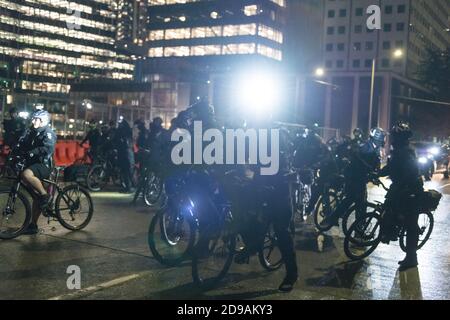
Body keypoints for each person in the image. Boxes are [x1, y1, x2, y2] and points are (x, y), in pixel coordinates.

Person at [377, 122, 423, 271]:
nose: (393, 140)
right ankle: (390, 231)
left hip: (411, 191)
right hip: (399, 188)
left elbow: (412, 173)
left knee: (410, 224)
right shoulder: (398, 152)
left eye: (396, 137)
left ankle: (411, 257)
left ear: (402, 139)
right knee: (388, 208)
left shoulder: (407, 152)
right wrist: (377, 173)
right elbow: (391, 167)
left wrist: (404, 186)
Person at [324, 127, 386, 226]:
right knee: (354, 200)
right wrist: (370, 171)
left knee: (359, 202)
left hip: (361, 178)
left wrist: (374, 175)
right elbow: (359, 162)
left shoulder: (375, 148)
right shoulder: (366, 147)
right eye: (381, 139)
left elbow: (375, 165)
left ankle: (356, 226)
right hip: (353, 177)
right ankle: (336, 219)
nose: (382, 141)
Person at [11, 110, 56, 235]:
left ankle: (44, 195)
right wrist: (15, 151)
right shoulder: (31, 132)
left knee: (26, 174)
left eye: (36, 119)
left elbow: (47, 148)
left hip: (44, 165)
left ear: (43, 121)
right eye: (33, 119)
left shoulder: (48, 133)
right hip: (33, 164)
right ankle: (33, 225)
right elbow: (22, 143)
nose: (33, 121)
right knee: (35, 196)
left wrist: (32, 152)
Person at [115, 119, 135, 193]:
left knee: (127, 171)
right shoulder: (125, 132)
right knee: (125, 172)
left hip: (126, 155)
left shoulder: (125, 134)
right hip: (124, 154)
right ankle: (129, 187)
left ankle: (129, 187)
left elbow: (125, 144)